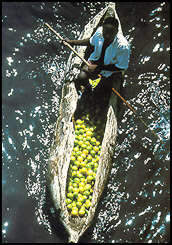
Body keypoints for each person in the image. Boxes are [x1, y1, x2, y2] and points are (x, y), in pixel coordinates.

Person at [63, 16, 130, 116]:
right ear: (102, 28)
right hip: (94, 62)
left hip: (110, 71)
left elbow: (121, 67)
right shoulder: (99, 32)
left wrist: (99, 68)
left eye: (110, 33)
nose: (106, 36)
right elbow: (90, 42)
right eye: (105, 31)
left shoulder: (123, 47)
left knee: (100, 95)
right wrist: (72, 42)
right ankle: (86, 92)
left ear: (116, 32)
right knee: (81, 78)